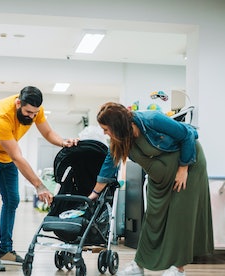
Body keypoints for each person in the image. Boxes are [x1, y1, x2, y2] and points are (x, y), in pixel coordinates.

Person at [88, 102, 213, 276]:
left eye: (106, 129)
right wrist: (94, 193)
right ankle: (138, 265)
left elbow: (187, 135)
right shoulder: (120, 139)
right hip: (160, 178)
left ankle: (178, 268)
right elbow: (109, 164)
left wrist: (184, 168)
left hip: (187, 168)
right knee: (152, 217)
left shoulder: (152, 120)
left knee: (180, 216)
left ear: (118, 126)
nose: (104, 133)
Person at [0, 86, 79, 272]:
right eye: (28, 112)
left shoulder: (35, 110)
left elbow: (47, 133)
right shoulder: (2, 115)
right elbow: (17, 157)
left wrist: (63, 142)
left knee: (12, 200)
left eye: (35, 113)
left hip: (7, 158)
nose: (32, 116)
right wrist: (39, 186)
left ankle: (6, 250)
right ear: (18, 103)